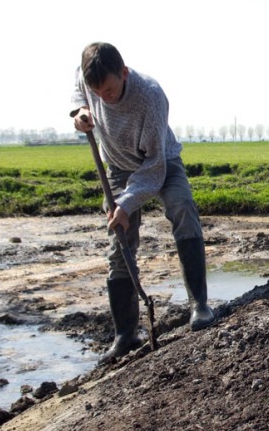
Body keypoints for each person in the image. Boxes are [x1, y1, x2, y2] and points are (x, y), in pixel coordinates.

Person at [70, 42, 214, 362]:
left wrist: (127, 204)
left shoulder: (149, 96)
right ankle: (125, 335)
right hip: (118, 168)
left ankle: (200, 306)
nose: (103, 97)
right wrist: (80, 112)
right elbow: (80, 91)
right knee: (119, 242)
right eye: (97, 91)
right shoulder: (91, 81)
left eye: (108, 89)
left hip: (160, 161)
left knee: (182, 208)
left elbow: (153, 170)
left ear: (124, 73)